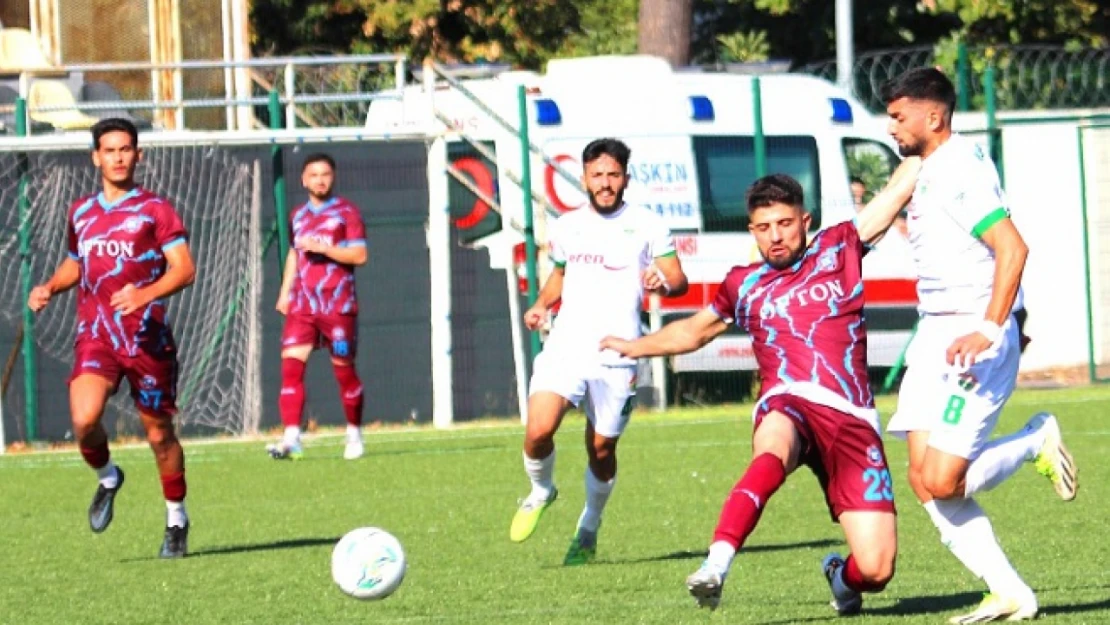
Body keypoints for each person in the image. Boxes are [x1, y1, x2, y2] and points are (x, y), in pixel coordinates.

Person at [602, 165, 920, 613]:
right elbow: (694, 331)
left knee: (876, 569)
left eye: (785, 224)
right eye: (764, 227)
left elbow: (890, 198)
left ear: (805, 222)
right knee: (771, 451)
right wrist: (634, 346)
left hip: (851, 419)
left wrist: (930, 144)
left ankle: (841, 579)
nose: (775, 236)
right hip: (787, 402)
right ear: (752, 230)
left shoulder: (838, 248)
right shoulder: (743, 282)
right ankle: (716, 565)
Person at [881, 67, 1077, 623]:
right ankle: (1010, 592)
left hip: (973, 339)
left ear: (933, 116)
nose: (891, 127)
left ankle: (1035, 438)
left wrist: (994, 326)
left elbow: (1012, 248)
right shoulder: (925, 170)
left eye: (899, 116)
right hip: (935, 333)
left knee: (945, 480)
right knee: (924, 481)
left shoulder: (959, 169)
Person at [509, 138, 689, 565]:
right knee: (537, 431)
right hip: (567, 346)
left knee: (602, 449)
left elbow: (678, 280)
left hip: (619, 352)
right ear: (585, 178)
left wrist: (662, 282)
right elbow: (560, 275)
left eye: (613, 175)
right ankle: (541, 490)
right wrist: (540, 304)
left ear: (625, 177)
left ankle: (588, 526)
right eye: (597, 175)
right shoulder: (567, 225)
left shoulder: (647, 224)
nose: (605, 184)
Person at [27, 118, 197, 558]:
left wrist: (144, 293)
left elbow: (184, 269)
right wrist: (50, 286)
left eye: (126, 149)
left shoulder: (156, 209)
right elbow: (75, 263)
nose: (118, 157)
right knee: (84, 420)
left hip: (147, 339)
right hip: (96, 335)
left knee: (159, 435)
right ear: (95, 157)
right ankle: (108, 477)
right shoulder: (81, 211)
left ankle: (176, 518)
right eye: (110, 150)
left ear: (138, 156)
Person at [268, 153, 369, 461]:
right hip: (303, 305)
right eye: (314, 175)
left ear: (333, 177)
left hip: (337, 304)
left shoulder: (346, 213)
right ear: (304, 180)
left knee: (344, 371)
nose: (320, 180)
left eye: (325, 174)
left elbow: (359, 256)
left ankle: (353, 433)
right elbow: (294, 255)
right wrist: (285, 292)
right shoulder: (298, 215)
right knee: (290, 367)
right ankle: (291, 437)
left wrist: (325, 248)